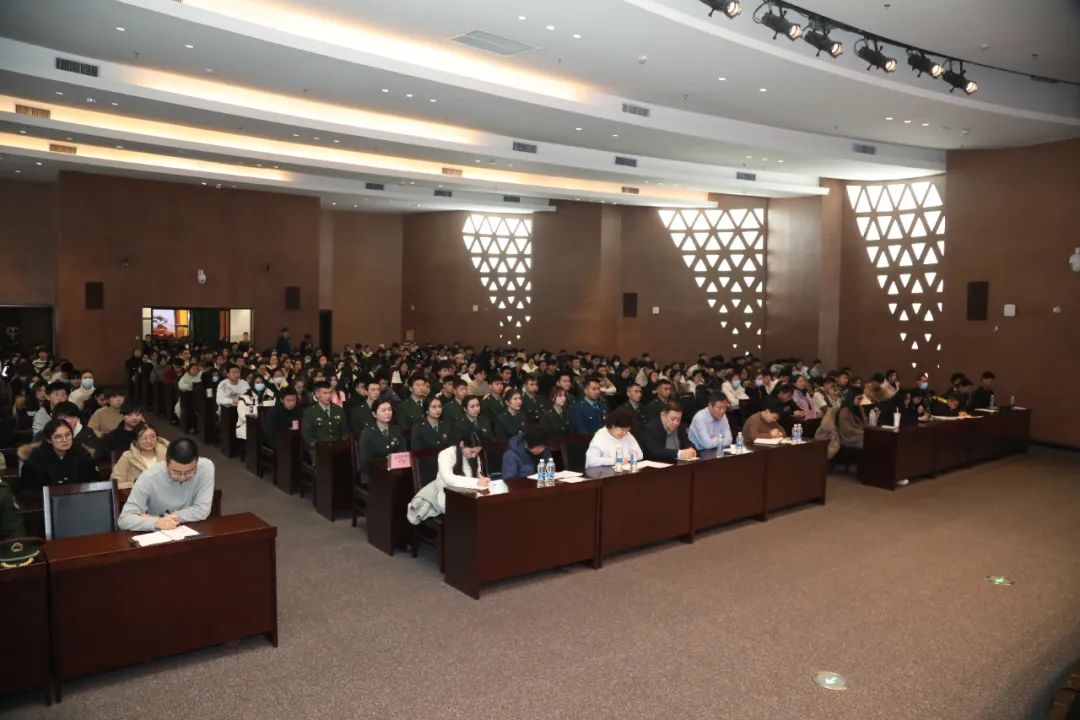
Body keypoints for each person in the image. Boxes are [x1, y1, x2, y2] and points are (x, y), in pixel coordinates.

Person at [117, 437, 214, 531]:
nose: (182, 477)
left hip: (193, 528)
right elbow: (124, 519)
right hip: (160, 532)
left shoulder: (205, 467)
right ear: (166, 462)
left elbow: (202, 510)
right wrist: (157, 522)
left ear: (197, 462)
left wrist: (161, 518)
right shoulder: (149, 477)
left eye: (189, 472)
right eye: (176, 472)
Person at [406, 432, 490, 524]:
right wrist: (476, 482)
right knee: (471, 514)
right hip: (447, 496)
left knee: (486, 510)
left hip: (469, 495)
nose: (474, 455)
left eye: (477, 452)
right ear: (462, 444)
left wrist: (482, 479)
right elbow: (448, 479)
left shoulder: (475, 457)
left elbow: (477, 475)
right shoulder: (446, 454)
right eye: (472, 451)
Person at [17, 418, 98, 501]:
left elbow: (93, 484)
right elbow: (28, 493)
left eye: (68, 435)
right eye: (58, 437)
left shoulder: (83, 455)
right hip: (46, 503)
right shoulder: (35, 461)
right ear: (49, 440)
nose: (65, 440)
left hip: (80, 501)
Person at [111, 423, 170, 490]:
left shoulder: (168, 453)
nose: (149, 441)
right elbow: (116, 483)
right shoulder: (127, 456)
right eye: (144, 438)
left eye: (152, 436)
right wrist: (135, 484)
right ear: (136, 441)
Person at [356, 399, 407, 477]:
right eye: (383, 410)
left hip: (397, 473)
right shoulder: (367, 433)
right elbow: (364, 461)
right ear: (374, 414)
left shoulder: (397, 430)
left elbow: (403, 454)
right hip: (375, 474)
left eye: (389, 409)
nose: (388, 413)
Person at [301, 381, 348, 461]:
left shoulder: (338, 410)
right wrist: (316, 445)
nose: (328, 396)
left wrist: (343, 444)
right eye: (325, 393)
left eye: (330, 392)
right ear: (317, 394)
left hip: (337, 449)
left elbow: (345, 431)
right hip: (318, 450)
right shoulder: (309, 412)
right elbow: (306, 434)